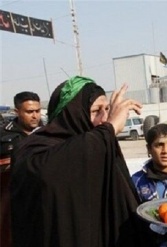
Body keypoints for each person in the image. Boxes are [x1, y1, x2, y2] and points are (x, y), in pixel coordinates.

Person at [10, 76, 149, 247]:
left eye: (107, 109)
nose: (104, 118)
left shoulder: (99, 145)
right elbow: (50, 171)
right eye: (96, 110)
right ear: (72, 113)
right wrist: (110, 129)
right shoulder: (34, 149)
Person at [0, 91, 41, 247]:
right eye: (29, 112)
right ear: (17, 112)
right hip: (11, 204)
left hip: (40, 201)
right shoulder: (4, 135)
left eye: (37, 111)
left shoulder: (48, 132)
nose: (35, 116)